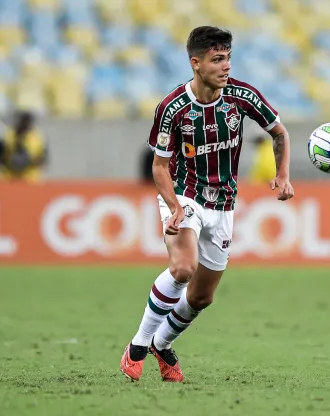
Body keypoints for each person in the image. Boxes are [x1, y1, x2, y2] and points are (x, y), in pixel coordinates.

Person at [120, 26, 295, 383]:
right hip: (185, 195)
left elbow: (279, 132)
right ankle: (137, 346)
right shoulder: (172, 108)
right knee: (183, 268)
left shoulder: (241, 96)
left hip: (224, 204)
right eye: (217, 59)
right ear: (195, 63)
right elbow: (159, 165)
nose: (226, 66)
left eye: (228, 57)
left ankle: (162, 344)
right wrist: (174, 206)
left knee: (201, 298)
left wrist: (283, 174)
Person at [0, 111, 47, 182]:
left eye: (26, 122)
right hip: (8, 175)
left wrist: (30, 161)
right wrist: (10, 161)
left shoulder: (37, 137)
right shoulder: (7, 135)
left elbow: (43, 159)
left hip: (30, 177)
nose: (23, 125)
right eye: (22, 121)